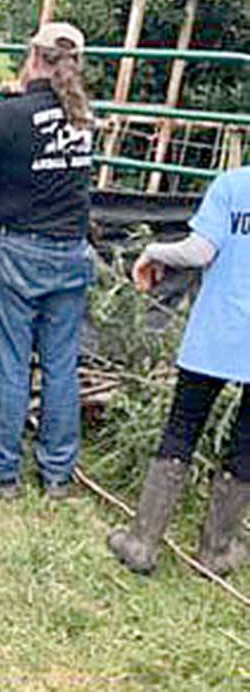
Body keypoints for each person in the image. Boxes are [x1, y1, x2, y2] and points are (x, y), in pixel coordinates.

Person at [0, 22, 96, 499]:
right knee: (61, 366)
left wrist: (11, 106)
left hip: (20, 251)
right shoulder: (84, 115)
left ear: (33, 57)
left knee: (9, 363)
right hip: (72, 250)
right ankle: (57, 473)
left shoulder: (10, 114)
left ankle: (1, 469)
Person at [107, 167, 250, 576]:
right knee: (247, 442)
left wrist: (154, 251)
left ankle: (141, 543)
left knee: (182, 429)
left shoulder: (234, 184)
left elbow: (200, 251)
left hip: (216, 332)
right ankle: (216, 551)